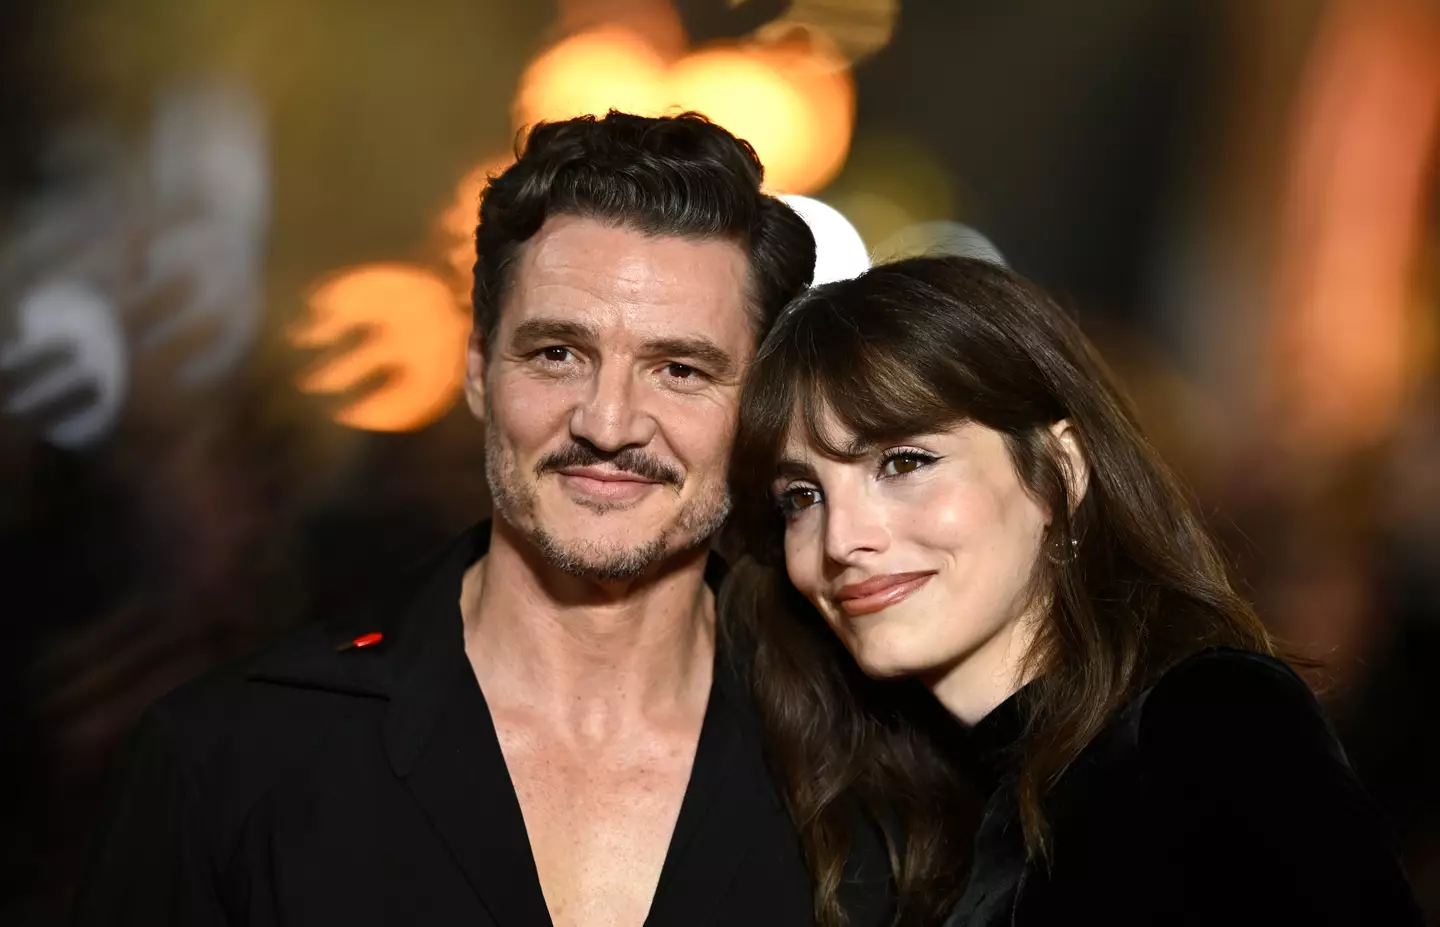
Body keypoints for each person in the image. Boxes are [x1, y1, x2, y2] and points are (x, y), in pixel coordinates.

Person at [70, 111, 894, 927]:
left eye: (679, 369)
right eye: (556, 354)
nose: (607, 423)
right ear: (477, 372)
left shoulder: (881, 773)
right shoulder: (233, 758)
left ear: (759, 408)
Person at [721, 255, 1427, 926]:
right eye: (803, 495)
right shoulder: (898, 806)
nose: (842, 538)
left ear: (1059, 471)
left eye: (904, 461)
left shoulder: (1202, 725)